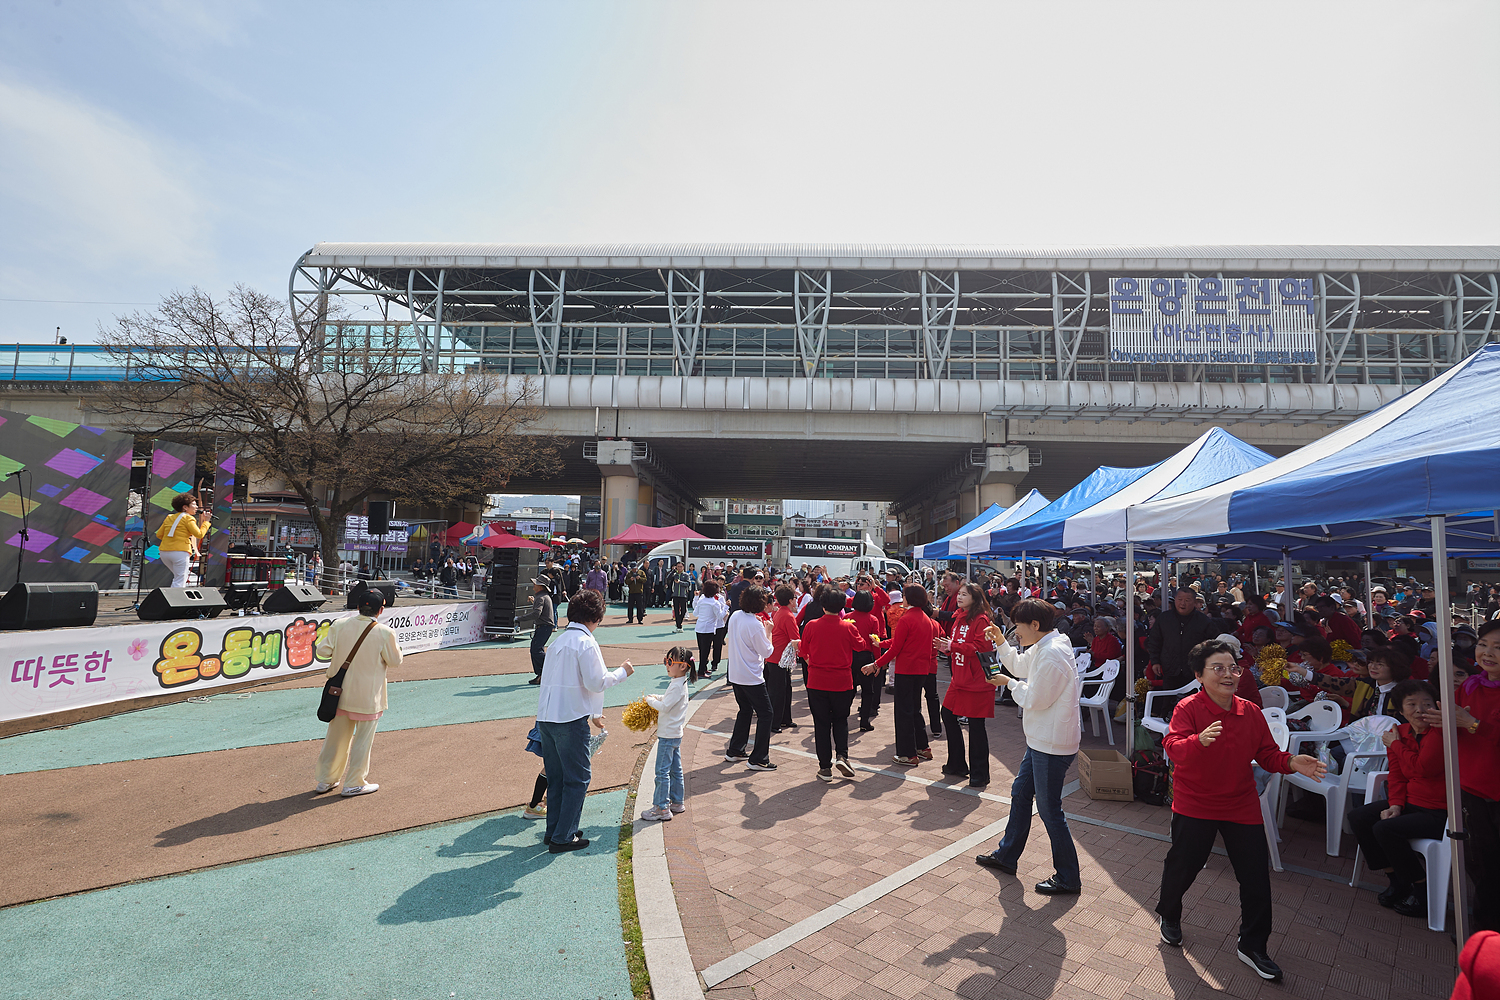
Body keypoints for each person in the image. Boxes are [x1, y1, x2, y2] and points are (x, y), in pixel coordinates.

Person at [1154, 638, 1327, 982]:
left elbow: (1267, 754)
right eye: (1217, 668)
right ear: (1199, 675)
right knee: (1184, 866)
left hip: (1240, 803)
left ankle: (1253, 945)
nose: (1228, 674)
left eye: (1233, 668)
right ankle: (1169, 914)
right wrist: (1198, 740)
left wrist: (1292, 762)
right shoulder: (1188, 708)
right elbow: (1172, 747)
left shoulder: (1249, 711)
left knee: (1255, 877)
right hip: (1196, 802)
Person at [975, 598, 1083, 894]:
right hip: (1042, 739)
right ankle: (1007, 855)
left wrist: (1008, 684)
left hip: (1051, 743)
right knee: (1021, 794)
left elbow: (1035, 698)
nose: (1015, 632)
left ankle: (1068, 877)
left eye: (1017, 627)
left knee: (1049, 810)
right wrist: (1001, 643)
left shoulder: (1052, 652)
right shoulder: (1047, 644)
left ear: (1035, 625)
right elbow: (1020, 665)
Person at [535, 589, 634, 853]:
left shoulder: (558, 642)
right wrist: (622, 672)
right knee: (578, 778)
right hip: (569, 718)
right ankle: (563, 835)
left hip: (547, 717)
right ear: (595, 617)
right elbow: (596, 682)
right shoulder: (586, 642)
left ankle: (556, 830)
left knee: (557, 778)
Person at [1347, 679, 1446, 918]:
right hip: (1411, 802)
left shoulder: (1440, 733)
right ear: (1401, 710)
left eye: (1427, 704)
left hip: (1438, 811)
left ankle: (1421, 888)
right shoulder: (1399, 733)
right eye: (1411, 704)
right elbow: (1397, 774)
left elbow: (1422, 768)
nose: (1420, 710)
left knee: (1385, 829)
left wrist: (1396, 746)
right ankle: (1397, 879)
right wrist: (1395, 805)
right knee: (1359, 817)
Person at [1430, 619, 1500, 932]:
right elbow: (1452, 729)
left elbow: (1471, 725)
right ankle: (1484, 930)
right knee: (1479, 862)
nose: (1488, 653)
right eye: (1483, 645)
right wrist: (1436, 721)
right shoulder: (1469, 687)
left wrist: (1472, 724)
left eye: (1498, 647)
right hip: (1471, 788)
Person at [314, 589, 404, 797]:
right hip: (368, 697)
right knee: (362, 742)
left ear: (357, 607)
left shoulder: (339, 625)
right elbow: (395, 661)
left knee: (335, 739)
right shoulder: (385, 632)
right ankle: (354, 782)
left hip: (339, 693)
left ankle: (326, 779)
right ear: (381, 610)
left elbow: (323, 651)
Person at [800, 588, 867, 781]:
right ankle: (842, 756)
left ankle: (824, 767)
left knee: (821, 724)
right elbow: (861, 645)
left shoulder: (812, 625)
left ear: (823, 605)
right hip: (842, 681)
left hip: (817, 680)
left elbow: (803, 650)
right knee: (840, 720)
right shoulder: (848, 627)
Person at [936, 584, 996, 788]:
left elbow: (981, 649)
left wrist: (953, 646)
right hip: (960, 678)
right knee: (947, 714)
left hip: (976, 680)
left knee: (976, 725)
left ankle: (980, 773)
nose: (959, 597)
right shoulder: (959, 618)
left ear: (975, 598)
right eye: (959, 594)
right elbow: (958, 645)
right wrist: (947, 648)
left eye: (964, 594)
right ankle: (957, 764)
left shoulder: (981, 620)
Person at [881, 584, 943, 766]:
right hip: (922, 670)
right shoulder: (927, 620)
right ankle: (922, 747)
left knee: (904, 712)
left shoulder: (906, 619)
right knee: (915, 709)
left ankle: (907, 754)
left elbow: (896, 648)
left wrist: (877, 663)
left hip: (906, 670)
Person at [723, 586, 777, 770]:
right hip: (751, 676)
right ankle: (759, 758)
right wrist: (768, 631)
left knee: (745, 710)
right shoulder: (755, 624)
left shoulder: (736, 615)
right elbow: (767, 651)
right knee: (766, 714)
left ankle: (736, 749)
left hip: (736, 673)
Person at [640, 647, 694, 821]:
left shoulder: (677, 686)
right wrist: (657, 696)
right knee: (675, 770)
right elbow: (669, 700)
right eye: (666, 661)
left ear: (683, 666)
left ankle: (661, 808)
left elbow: (665, 707)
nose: (667, 665)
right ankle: (677, 802)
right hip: (675, 734)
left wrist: (650, 701)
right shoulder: (679, 683)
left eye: (670, 662)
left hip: (668, 735)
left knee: (662, 772)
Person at [155, 492, 211, 588]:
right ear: (185, 507)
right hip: (180, 552)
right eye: (194, 504)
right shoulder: (189, 518)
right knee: (180, 579)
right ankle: (174, 597)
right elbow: (199, 534)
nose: (197, 507)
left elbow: (159, 535)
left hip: (164, 551)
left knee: (178, 577)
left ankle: (171, 596)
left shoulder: (170, 517)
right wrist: (206, 522)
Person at [767, 585, 800, 732]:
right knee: (779, 692)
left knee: (784, 689)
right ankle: (775, 723)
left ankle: (785, 719)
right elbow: (795, 639)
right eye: (795, 598)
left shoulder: (780, 612)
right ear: (790, 600)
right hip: (779, 658)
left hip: (778, 658)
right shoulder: (787, 615)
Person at [693, 580, 727, 679]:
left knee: (702, 650)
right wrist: (726, 607)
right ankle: (701, 671)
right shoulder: (715, 603)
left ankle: (703, 668)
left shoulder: (702, 600)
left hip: (699, 627)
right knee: (705, 651)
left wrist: (696, 598)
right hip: (709, 629)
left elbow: (695, 613)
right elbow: (720, 616)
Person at [527, 579, 556, 686]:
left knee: (536, 650)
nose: (533, 585)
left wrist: (519, 618)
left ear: (540, 586)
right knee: (536, 649)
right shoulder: (543, 596)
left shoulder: (540, 597)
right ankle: (542, 674)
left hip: (544, 627)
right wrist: (534, 601)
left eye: (535, 583)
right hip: (546, 627)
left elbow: (536, 614)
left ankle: (548, 670)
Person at [671, 563, 694, 630]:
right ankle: (679, 626)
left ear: (683, 567)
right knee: (676, 611)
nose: (679, 568)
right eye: (678, 566)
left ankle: (679, 622)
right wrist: (673, 571)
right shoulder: (675, 574)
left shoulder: (686, 575)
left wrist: (680, 582)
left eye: (681, 566)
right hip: (675, 595)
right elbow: (668, 578)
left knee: (683, 611)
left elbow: (688, 583)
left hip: (683, 595)